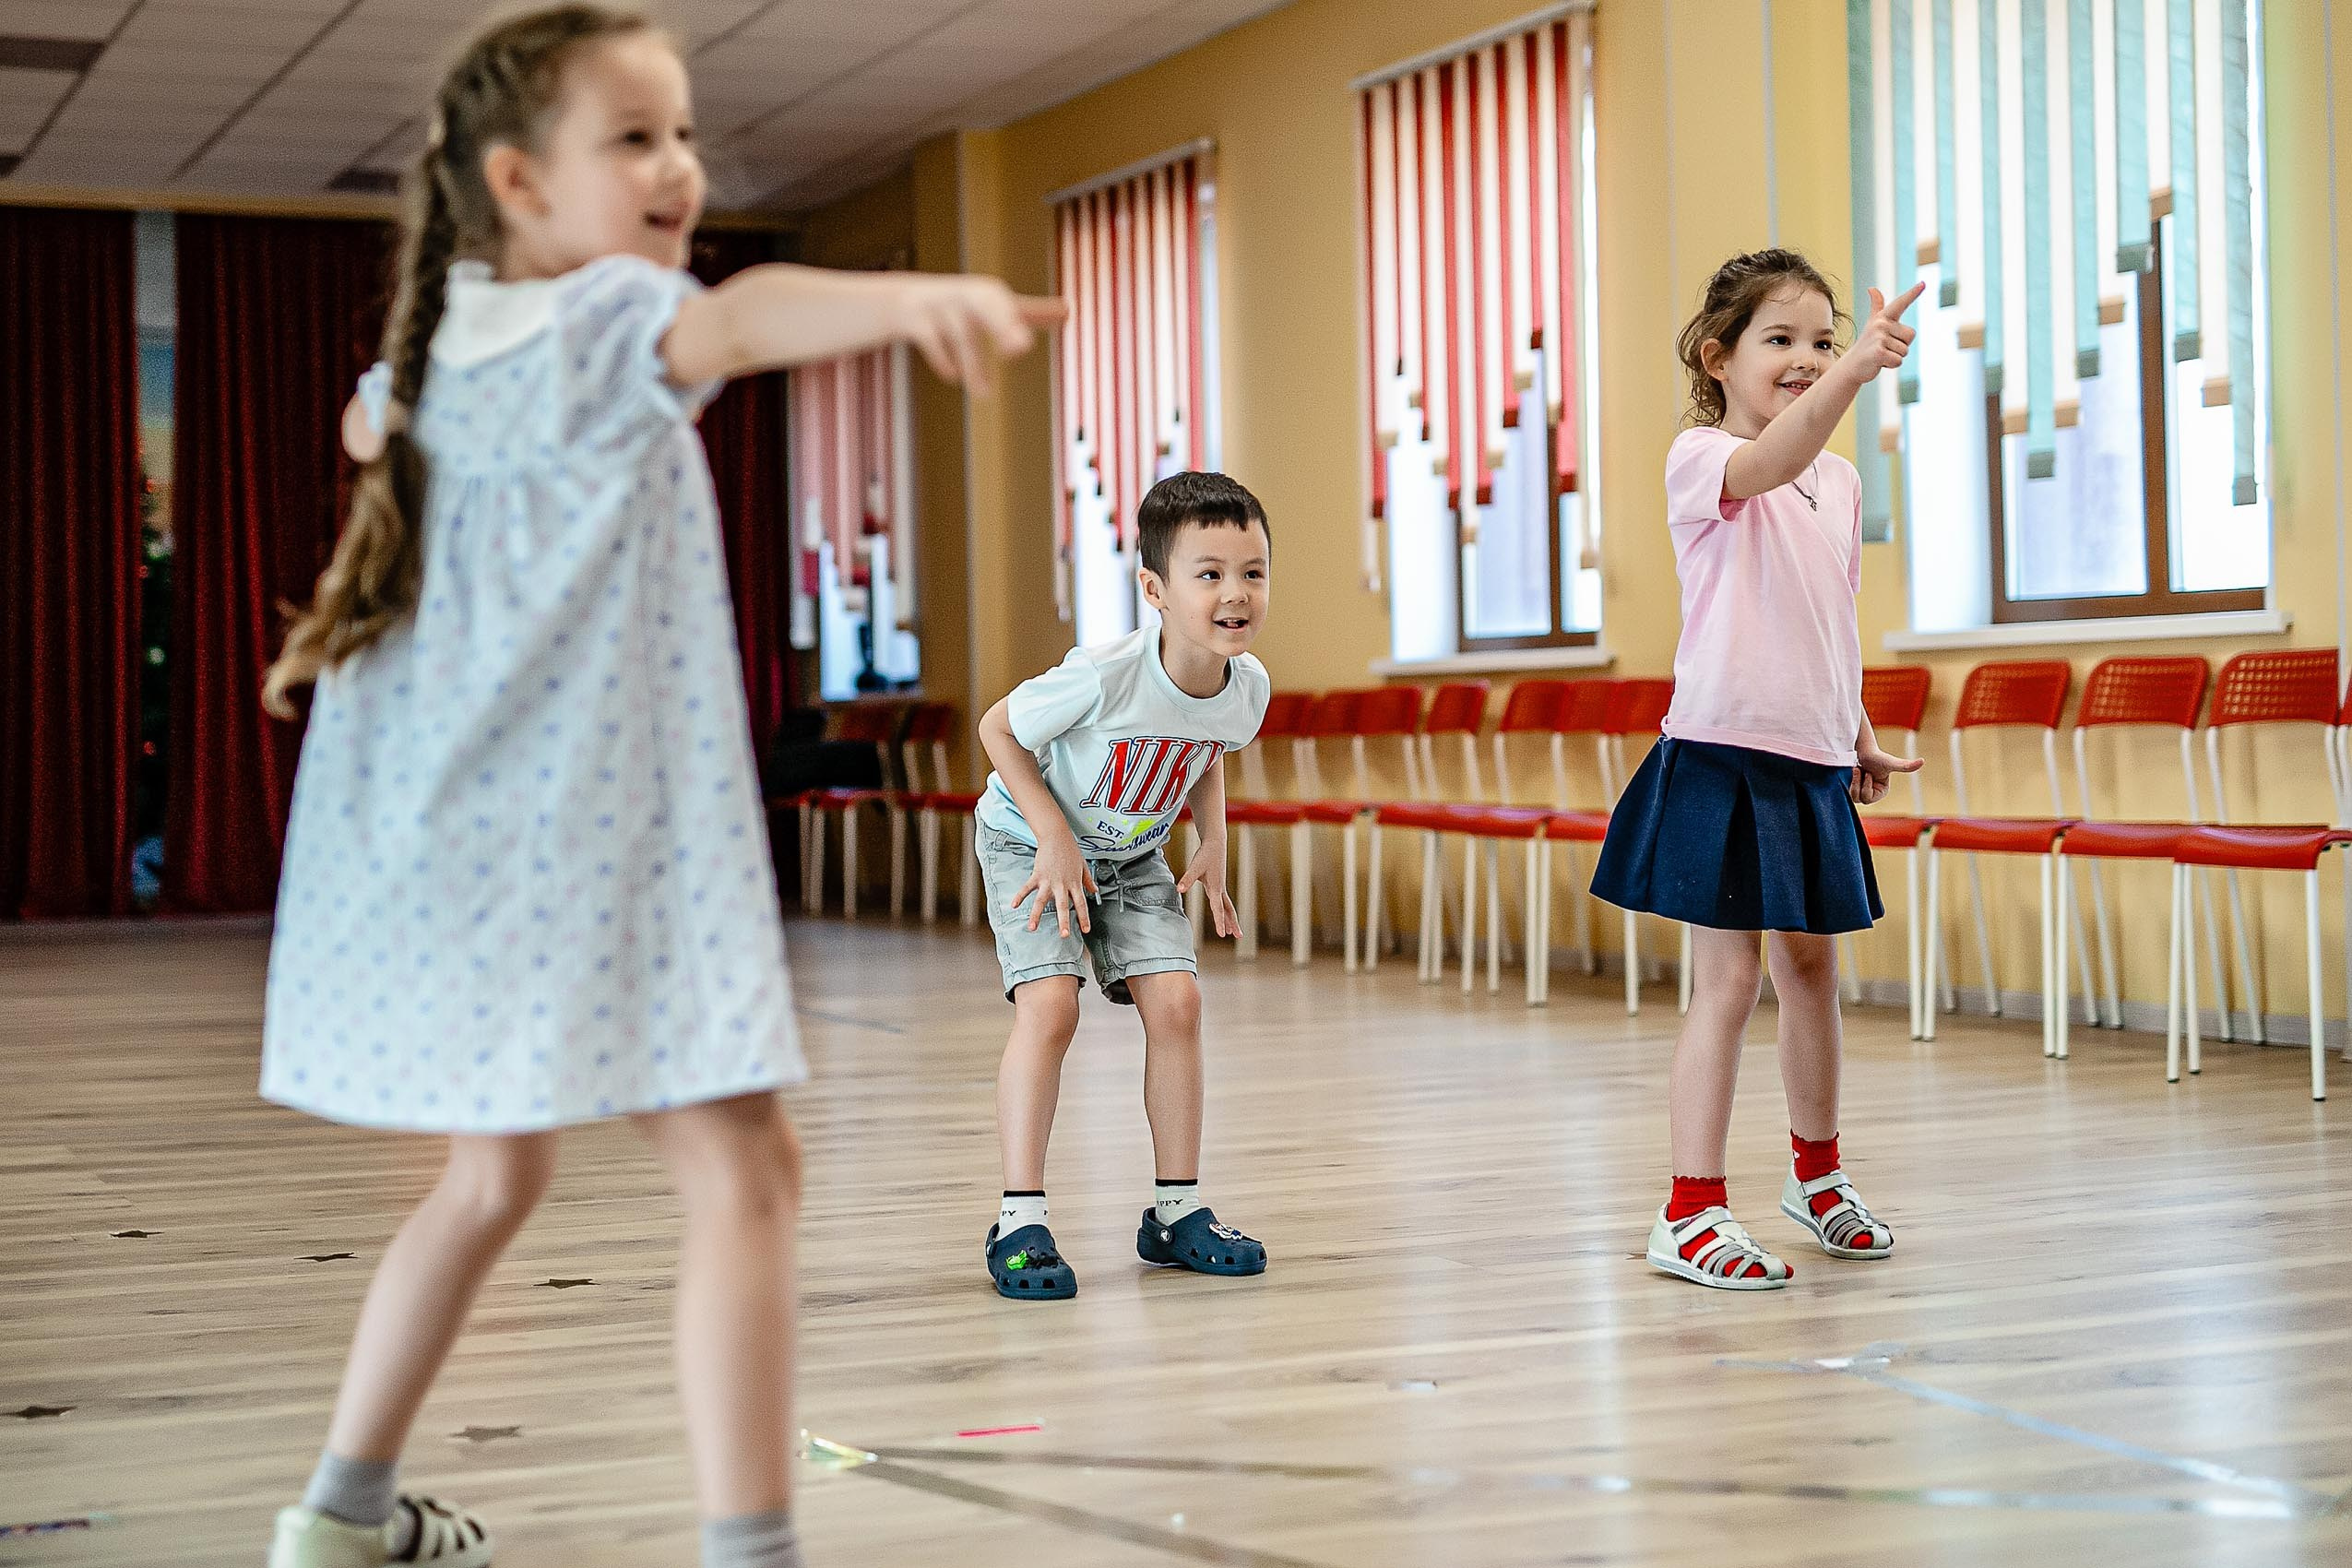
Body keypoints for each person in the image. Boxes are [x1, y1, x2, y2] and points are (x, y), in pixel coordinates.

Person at [255, 8, 1057, 1564]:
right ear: (518, 182)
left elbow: (371, 420)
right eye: (632, 137)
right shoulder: (612, 318)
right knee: (746, 1171)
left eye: (683, 133)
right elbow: (741, 321)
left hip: (441, 854)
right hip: (578, 843)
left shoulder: (429, 363)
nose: (677, 166)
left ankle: (339, 1514)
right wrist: (910, 297)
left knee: (491, 1177)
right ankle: (750, 1549)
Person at [1590, 249, 1924, 1291]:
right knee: (1729, 980)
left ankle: (1816, 1177)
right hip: (1723, 753)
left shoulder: (1843, 478)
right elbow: (1774, 458)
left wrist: (1855, 726)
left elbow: (1831, 616)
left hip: (1812, 757)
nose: (1805, 357)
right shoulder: (1702, 457)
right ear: (1717, 356)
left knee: (1813, 972)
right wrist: (1855, 373)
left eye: (1821, 339)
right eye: (1779, 339)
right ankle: (1687, 1208)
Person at [973, 471, 1273, 1301]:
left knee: (1177, 1003)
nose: (1234, 593)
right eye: (1207, 574)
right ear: (1155, 588)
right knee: (1052, 1007)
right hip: (1029, 840)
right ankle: (1019, 1219)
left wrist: (1210, 839)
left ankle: (1176, 1212)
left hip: (1135, 851)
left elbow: (1204, 747)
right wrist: (1054, 837)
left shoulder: (1244, 687)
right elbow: (998, 729)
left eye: (1252, 572)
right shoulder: (1105, 675)